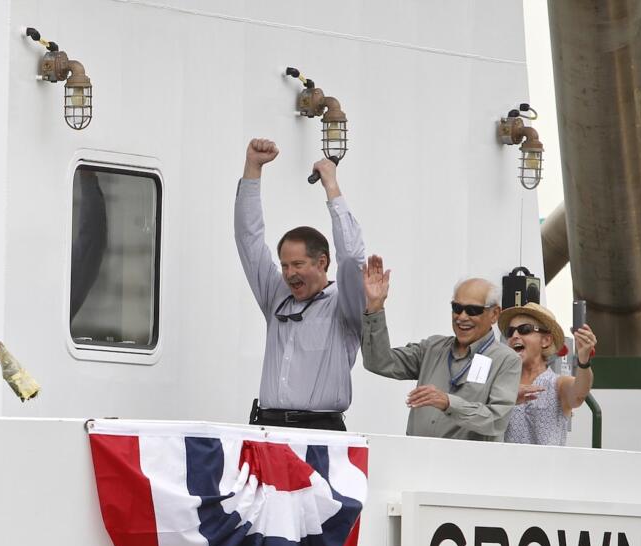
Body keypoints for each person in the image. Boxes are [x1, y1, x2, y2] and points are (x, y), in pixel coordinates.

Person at [235, 139, 368, 431]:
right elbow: (249, 239)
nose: (289, 274)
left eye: (298, 265)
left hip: (320, 431)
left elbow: (351, 258)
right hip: (269, 427)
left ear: (321, 263)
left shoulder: (345, 304)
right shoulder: (276, 295)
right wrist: (253, 168)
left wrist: (331, 186)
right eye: (284, 265)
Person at [360, 258, 520, 441]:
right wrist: (375, 308)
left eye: (472, 310)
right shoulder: (433, 348)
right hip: (417, 459)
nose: (462, 317)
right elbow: (379, 363)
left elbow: (496, 420)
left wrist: (448, 402)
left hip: (466, 466)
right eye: (457, 308)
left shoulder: (506, 360)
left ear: (494, 314)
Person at [499, 302, 598, 445]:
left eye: (524, 329)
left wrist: (583, 360)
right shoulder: (500, 382)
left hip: (547, 467)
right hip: (503, 466)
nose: (514, 335)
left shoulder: (557, 384)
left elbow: (579, 393)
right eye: (510, 331)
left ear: (546, 340)